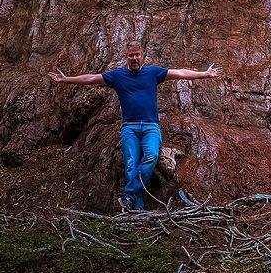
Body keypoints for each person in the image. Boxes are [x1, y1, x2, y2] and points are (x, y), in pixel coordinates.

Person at [48, 41, 222, 211]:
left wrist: (204, 74)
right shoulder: (118, 76)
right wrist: (66, 80)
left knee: (151, 156)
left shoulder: (153, 73)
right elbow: (92, 78)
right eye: (131, 55)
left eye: (137, 55)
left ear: (142, 57)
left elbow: (179, 73)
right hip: (129, 128)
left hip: (150, 126)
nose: (134, 58)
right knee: (131, 164)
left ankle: (129, 195)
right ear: (126, 58)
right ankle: (136, 209)